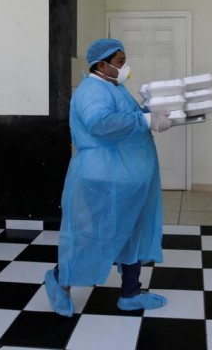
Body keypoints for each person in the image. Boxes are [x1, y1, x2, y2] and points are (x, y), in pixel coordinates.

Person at [44, 38, 172, 316]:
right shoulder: (92, 90)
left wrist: (151, 114)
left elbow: (129, 117)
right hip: (102, 178)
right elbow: (100, 123)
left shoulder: (115, 87)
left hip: (129, 178)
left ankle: (130, 293)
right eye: (119, 63)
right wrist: (145, 121)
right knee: (93, 235)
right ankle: (59, 279)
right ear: (101, 64)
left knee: (132, 233)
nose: (125, 68)